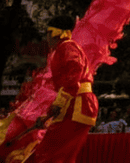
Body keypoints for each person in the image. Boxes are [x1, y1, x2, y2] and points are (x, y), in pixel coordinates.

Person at [28, 15, 98, 163]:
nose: (46, 38)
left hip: (77, 105)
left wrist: (57, 105)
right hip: (76, 105)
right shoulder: (65, 48)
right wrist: (49, 112)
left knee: (50, 153)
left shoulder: (66, 47)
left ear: (54, 33)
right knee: (61, 155)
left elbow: (73, 76)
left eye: (47, 33)